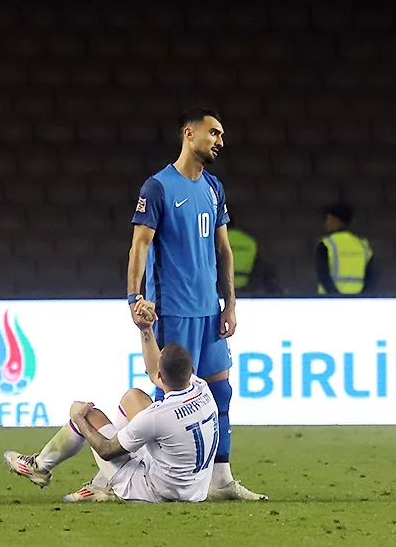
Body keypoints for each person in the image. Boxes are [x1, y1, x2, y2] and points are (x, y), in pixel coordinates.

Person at [123, 107, 265, 501]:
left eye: (221, 135)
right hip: (174, 310)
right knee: (168, 399)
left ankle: (221, 481)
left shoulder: (214, 187)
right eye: (214, 133)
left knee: (221, 394)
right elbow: (140, 244)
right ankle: (150, 477)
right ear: (189, 134)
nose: (220, 141)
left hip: (209, 310)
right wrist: (135, 297)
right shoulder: (158, 187)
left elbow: (224, 249)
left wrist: (230, 304)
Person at [3, 303, 220, 503]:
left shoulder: (156, 417)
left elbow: (106, 450)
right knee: (133, 397)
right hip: (195, 490)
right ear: (191, 371)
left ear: (161, 377)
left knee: (90, 416)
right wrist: (146, 330)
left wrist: (78, 418)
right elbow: (156, 370)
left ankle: (40, 467)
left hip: (156, 492)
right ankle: (100, 483)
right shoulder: (202, 388)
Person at [316, 203, 375, 295]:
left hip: (330, 302)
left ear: (335, 220)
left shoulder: (326, 244)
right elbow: (371, 277)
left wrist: (336, 297)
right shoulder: (363, 245)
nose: (326, 224)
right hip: (358, 301)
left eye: (328, 219)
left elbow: (323, 276)